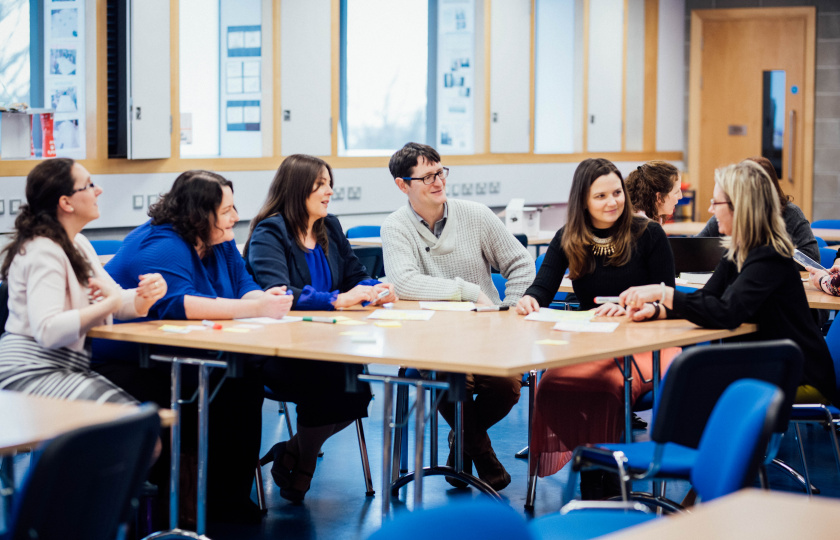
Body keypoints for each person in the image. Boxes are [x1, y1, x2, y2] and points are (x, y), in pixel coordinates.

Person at [94, 170, 293, 523]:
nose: (235, 217)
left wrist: (264, 301)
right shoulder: (162, 244)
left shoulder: (220, 239)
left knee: (242, 383)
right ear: (199, 215)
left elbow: (243, 282)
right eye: (227, 210)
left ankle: (226, 501)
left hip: (186, 355)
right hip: (131, 362)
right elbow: (177, 304)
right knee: (209, 393)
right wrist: (255, 308)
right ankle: (189, 504)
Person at [514, 157, 678, 498]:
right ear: (583, 201)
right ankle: (589, 461)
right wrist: (530, 299)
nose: (613, 202)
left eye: (617, 192)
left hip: (647, 341)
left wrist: (634, 306)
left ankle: (603, 470)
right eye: (601, 196)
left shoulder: (649, 234)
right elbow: (542, 287)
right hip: (591, 341)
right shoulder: (568, 237)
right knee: (552, 386)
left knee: (606, 387)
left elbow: (668, 299)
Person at [381, 142, 535, 491]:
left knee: (508, 387)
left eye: (440, 172)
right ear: (402, 184)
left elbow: (522, 263)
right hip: (429, 339)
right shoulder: (395, 227)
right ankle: (483, 458)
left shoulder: (475, 215)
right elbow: (404, 282)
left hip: (485, 334)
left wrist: (508, 310)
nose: (438, 182)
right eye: (426, 177)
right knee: (453, 381)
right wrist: (466, 291)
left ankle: (461, 445)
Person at [620, 161, 837, 405]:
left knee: (693, 384)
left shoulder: (770, 255)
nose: (711, 210)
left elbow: (727, 313)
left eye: (716, 203)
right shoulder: (737, 251)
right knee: (693, 382)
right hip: (765, 366)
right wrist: (659, 309)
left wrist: (664, 294)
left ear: (740, 207)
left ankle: (686, 444)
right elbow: (708, 299)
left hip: (797, 375)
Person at [244, 154, 396, 503]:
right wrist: (338, 301)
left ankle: (293, 452)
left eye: (330, 184)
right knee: (330, 385)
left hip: (330, 342)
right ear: (298, 190)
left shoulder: (330, 226)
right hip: (281, 349)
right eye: (320, 185)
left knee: (356, 392)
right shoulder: (271, 230)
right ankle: (303, 470)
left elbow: (356, 276)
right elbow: (279, 292)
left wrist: (377, 288)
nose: (329, 192)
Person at [0, 158, 166, 404]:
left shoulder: (78, 243)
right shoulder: (42, 250)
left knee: (143, 431)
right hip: (28, 370)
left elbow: (116, 299)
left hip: (65, 366)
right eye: (88, 185)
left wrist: (145, 296)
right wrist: (109, 304)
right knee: (137, 430)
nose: (98, 190)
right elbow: (48, 331)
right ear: (65, 202)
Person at [696, 156, 820, 263]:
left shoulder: (791, 215)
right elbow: (693, 248)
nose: (711, 209)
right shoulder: (727, 218)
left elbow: (811, 257)